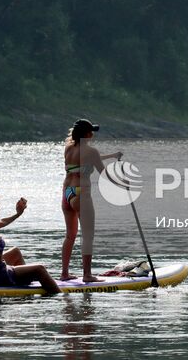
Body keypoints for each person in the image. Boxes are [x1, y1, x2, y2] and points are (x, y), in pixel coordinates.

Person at [60, 118, 122, 282]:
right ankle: (87, 275)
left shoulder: (68, 148)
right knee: (87, 235)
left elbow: (90, 159)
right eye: (91, 131)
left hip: (67, 193)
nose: (93, 134)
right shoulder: (91, 152)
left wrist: (112, 156)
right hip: (82, 193)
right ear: (87, 134)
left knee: (70, 236)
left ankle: (64, 273)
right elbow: (103, 173)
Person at [0, 193, 60, 294]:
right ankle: (61, 296)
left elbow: (3, 222)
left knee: (15, 252)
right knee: (40, 269)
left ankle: (25, 281)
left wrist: (18, 214)